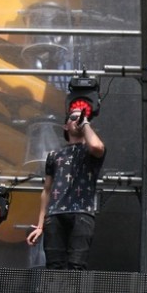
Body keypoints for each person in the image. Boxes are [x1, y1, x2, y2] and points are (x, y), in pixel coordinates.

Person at [26, 109, 105, 269]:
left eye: (81, 117)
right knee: (54, 265)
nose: (78, 119)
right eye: (73, 117)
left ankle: (73, 288)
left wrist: (85, 123)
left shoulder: (90, 151)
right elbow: (46, 190)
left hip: (82, 212)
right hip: (55, 214)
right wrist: (40, 225)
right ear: (65, 126)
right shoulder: (54, 155)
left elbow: (97, 146)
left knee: (76, 264)